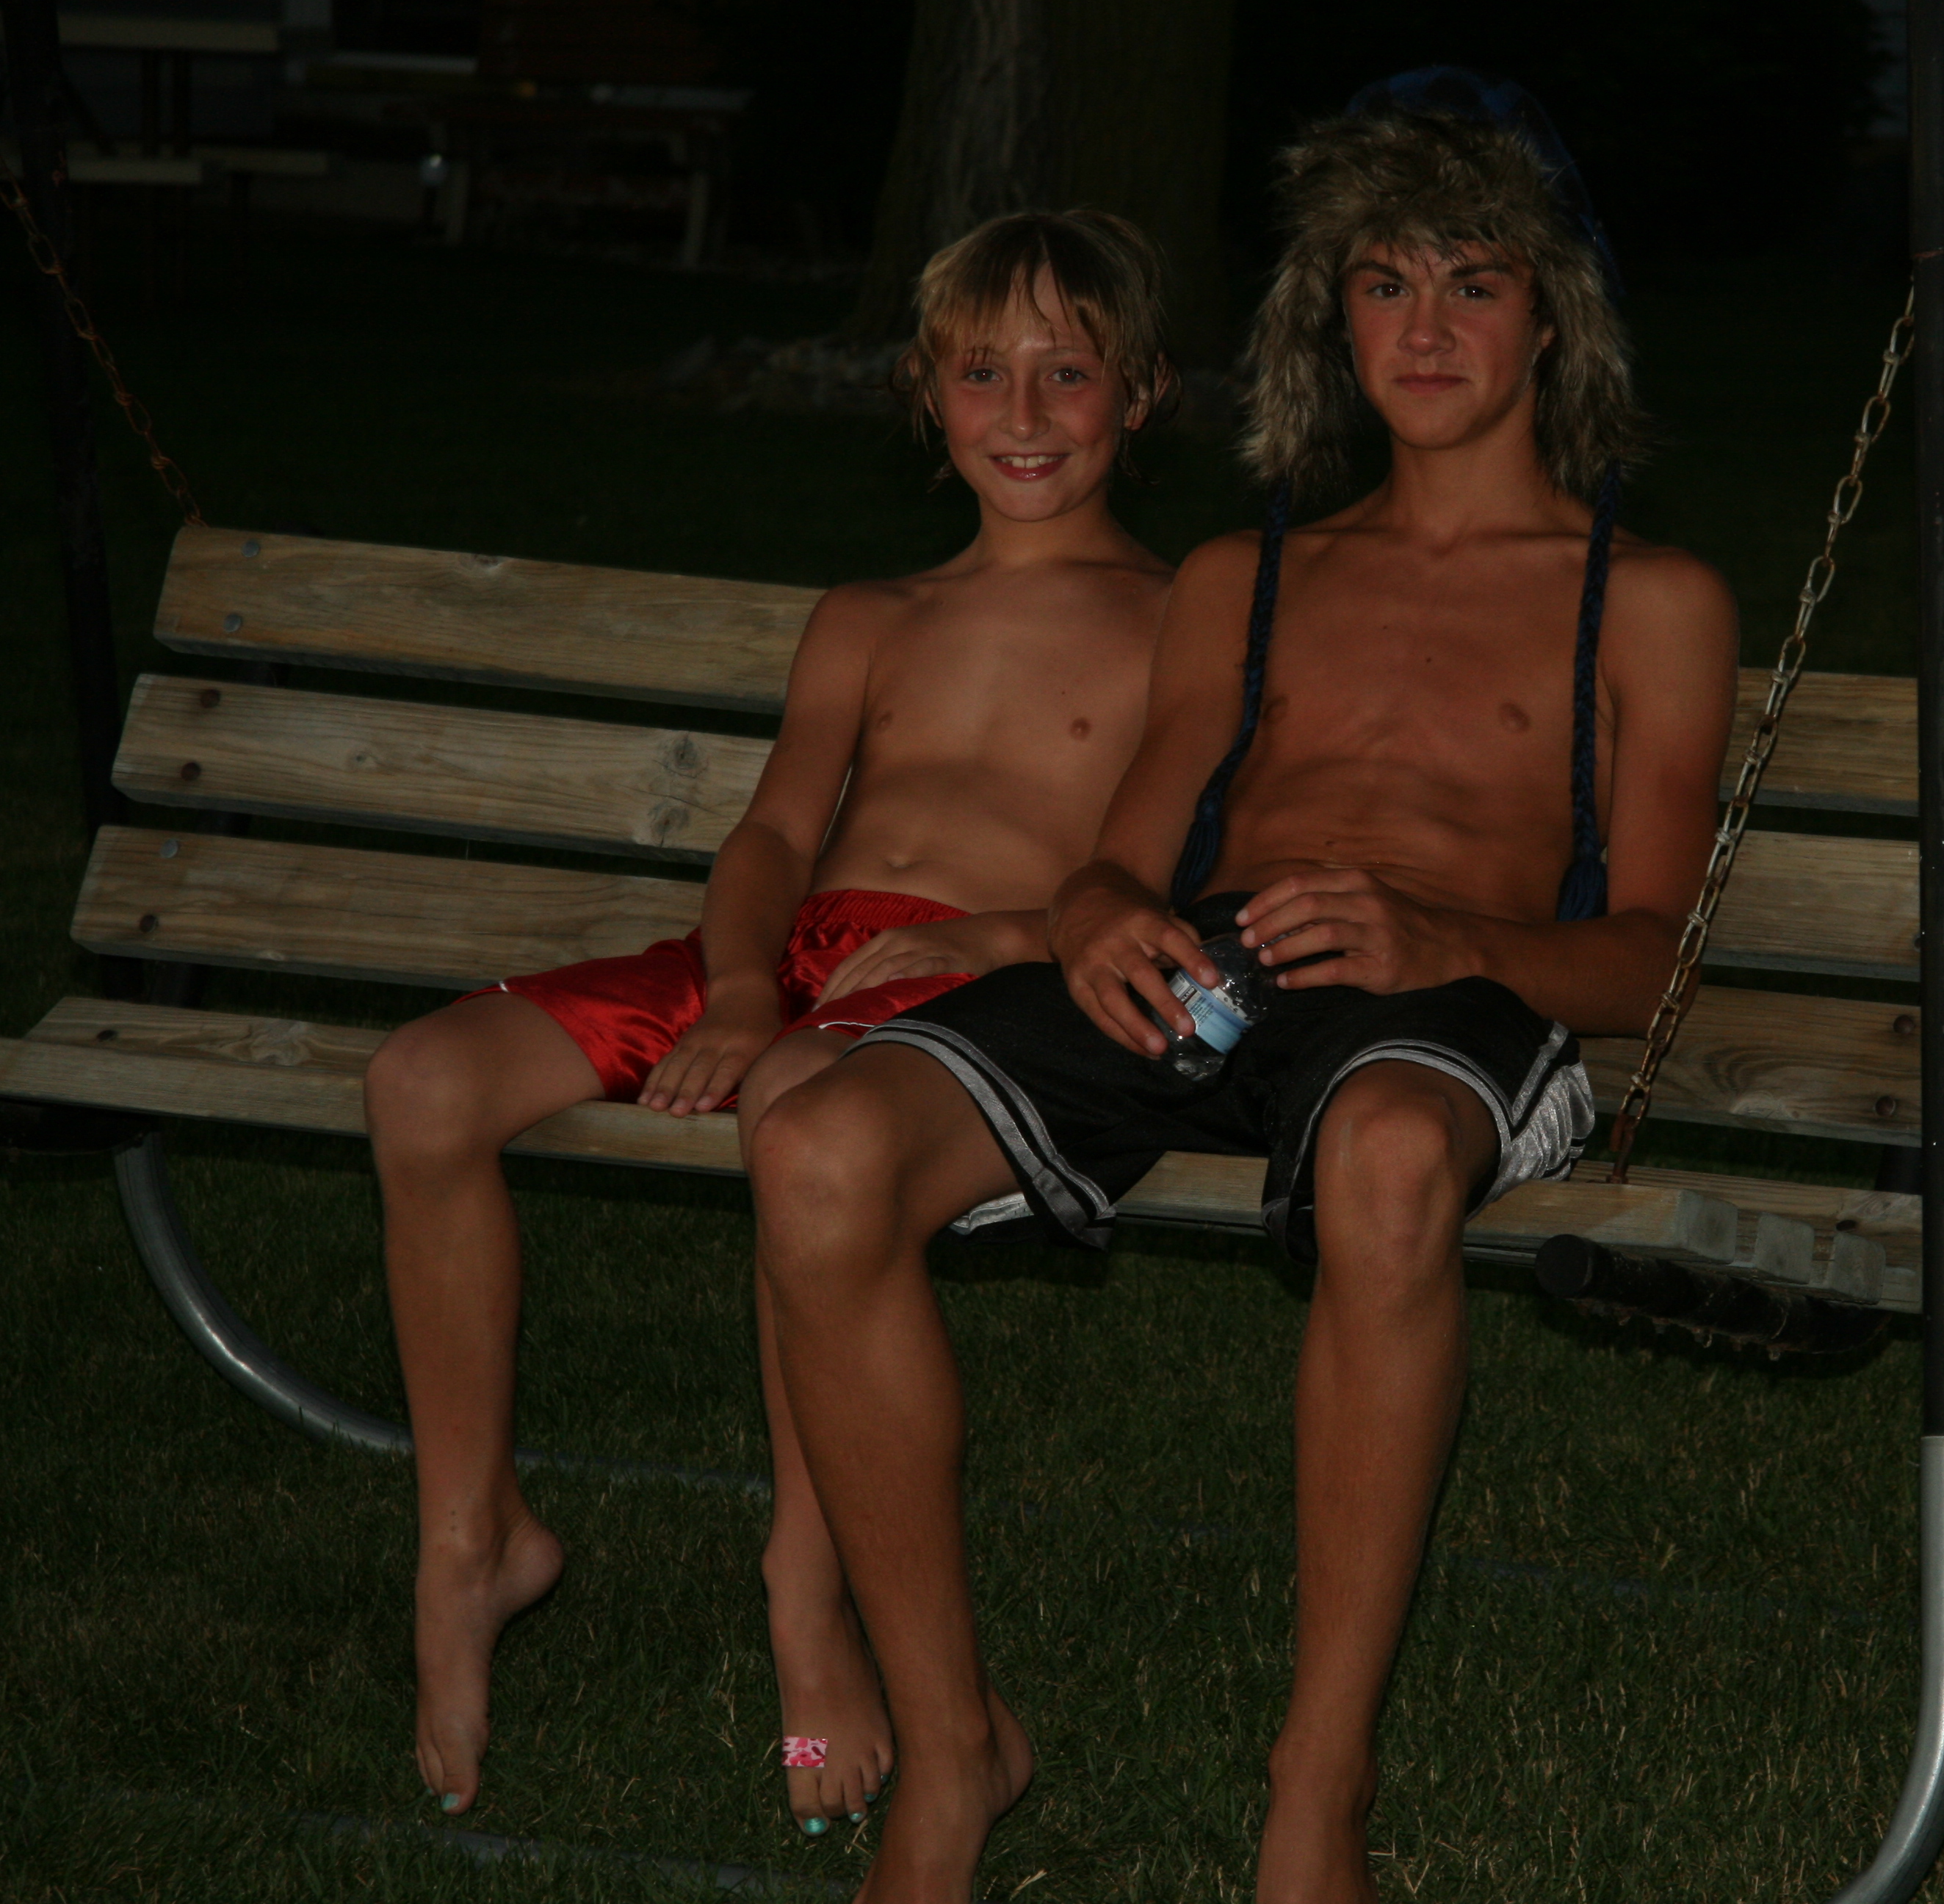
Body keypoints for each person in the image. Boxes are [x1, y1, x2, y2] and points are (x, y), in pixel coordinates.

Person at [751, 74, 1739, 1904]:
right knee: (817, 1151)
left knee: (1385, 1162)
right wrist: (1097, 916)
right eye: (1384, 281)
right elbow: (1119, 861)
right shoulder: (1247, 575)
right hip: (1212, 972)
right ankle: (950, 1743)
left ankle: (1316, 1786)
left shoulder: (1644, 596)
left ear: (1550, 316)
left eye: (1474, 280)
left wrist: (1448, 942)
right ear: (1328, 319)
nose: (1426, 327)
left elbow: (1650, 953)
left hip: (1450, 992)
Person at [360, 210, 1178, 1831]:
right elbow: (773, 836)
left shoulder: (1178, 617)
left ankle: (808, 1594)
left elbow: (1175, 872)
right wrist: (739, 986)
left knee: (801, 1104)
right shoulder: (872, 613)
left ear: (1142, 395)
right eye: (981, 373)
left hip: (982, 982)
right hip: (793, 956)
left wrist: (996, 932)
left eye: (1067, 373)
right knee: (422, 1079)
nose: (1022, 413)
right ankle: (472, 1538)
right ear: (923, 394)